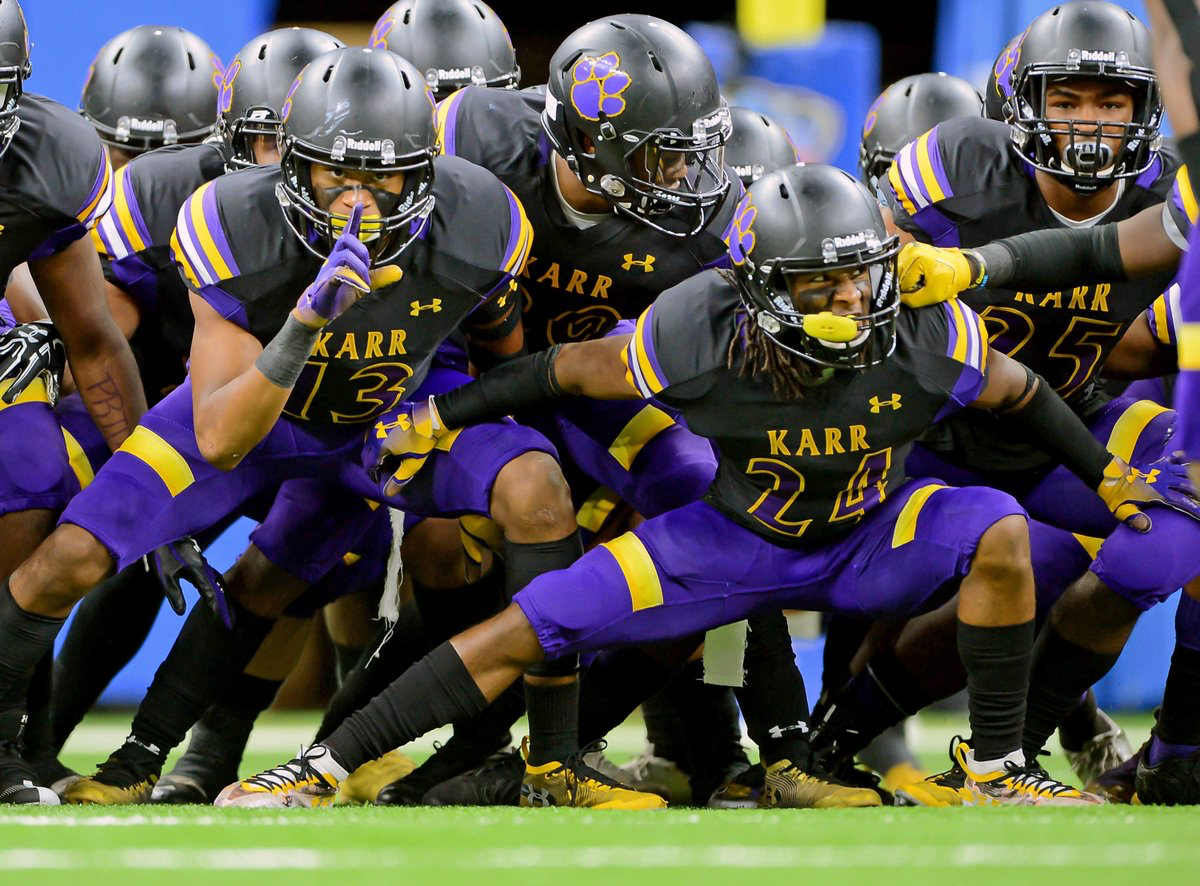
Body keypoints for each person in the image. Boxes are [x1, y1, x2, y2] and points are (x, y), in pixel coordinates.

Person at [220, 163, 1171, 810]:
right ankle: (319, 763)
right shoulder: (698, 324)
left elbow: (1022, 391)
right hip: (733, 540)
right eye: (820, 285)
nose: (851, 301)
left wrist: (1106, 478)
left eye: (861, 278)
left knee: (1001, 529)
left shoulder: (924, 325)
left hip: (874, 531)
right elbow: (567, 370)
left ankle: (997, 761)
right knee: (534, 620)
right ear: (756, 289)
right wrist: (444, 416)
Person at [0, 0, 147, 805]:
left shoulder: (50, 154)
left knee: (32, 470)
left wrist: (144, 482)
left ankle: (16, 743)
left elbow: (91, 338)